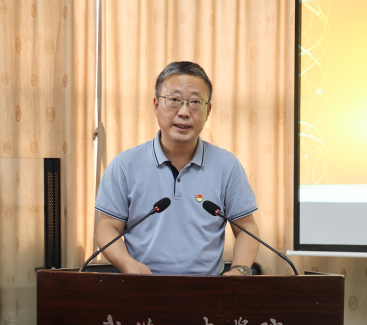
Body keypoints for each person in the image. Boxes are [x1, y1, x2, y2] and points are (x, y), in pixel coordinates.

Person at [94, 61, 259, 275]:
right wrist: (127, 263)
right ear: (156, 105)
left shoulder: (227, 166)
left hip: (208, 290)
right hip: (144, 286)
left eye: (195, 102)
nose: (184, 112)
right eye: (174, 100)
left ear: (208, 111)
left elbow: (247, 228)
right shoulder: (125, 165)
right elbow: (107, 226)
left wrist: (240, 270)